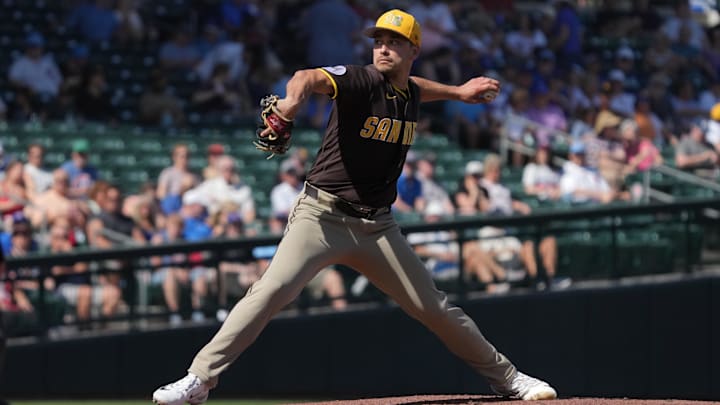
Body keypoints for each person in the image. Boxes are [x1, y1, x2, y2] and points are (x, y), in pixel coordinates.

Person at [152, 9, 557, 404]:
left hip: (377, 227)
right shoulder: (360, 81)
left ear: (413, 49)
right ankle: (198, 380)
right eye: (378, 41)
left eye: (394, 43)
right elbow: (306, 77)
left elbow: (417, 87)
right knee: (268, 292)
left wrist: (458, 92)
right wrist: (292, 103)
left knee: (435, 308)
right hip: (321, 216)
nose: (382, 49)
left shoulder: (410, 91)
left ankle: (507, 379)